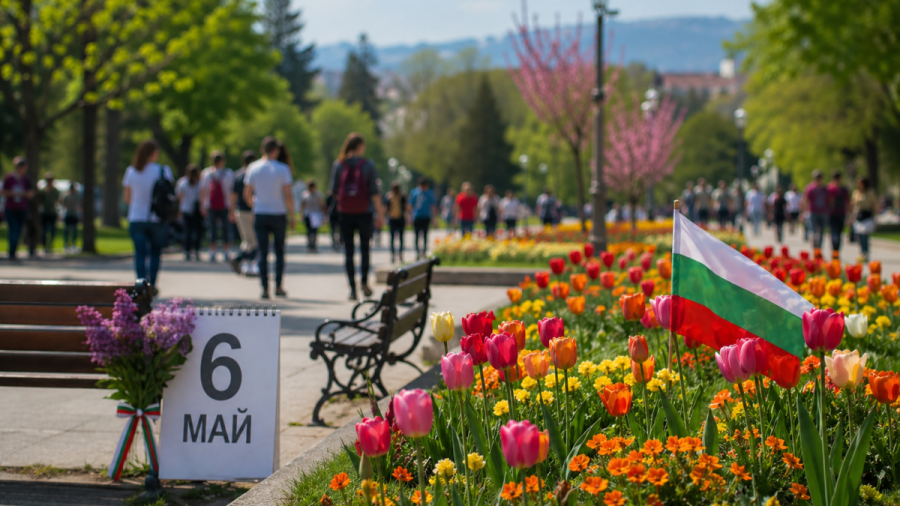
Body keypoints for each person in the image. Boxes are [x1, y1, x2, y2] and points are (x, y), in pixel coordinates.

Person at [330, 133, 384, 300]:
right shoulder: (368, 165)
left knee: (349, 251)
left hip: (345, 213)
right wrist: (380, 214)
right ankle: (364, 282)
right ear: (360, 146)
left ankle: (352, 289)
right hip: (364, 213)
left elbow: (334, 191)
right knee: (365, 249)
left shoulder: (339, 164)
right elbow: (374, 192)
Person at [244, 137, 294, 299]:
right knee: (279, 251)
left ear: (262, 149)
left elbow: (247, 194)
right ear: (277, 150)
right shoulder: (283, 169)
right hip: (278, 213)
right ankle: (279, 286)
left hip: (261, 213)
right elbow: (288, 194)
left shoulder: (253, 167)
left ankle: (265, 288)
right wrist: (292, 214)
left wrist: (255, 206)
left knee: (262, 252)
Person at [123, 140, 173, 292]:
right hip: (156, 218)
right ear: (154, 153)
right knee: (155, 253)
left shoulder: (131, 171)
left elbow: (127, 198)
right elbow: (170, 195)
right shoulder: (163, 170)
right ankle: (152, 284)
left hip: (136, 217)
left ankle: (141, 283)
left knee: (140, 253)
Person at [200, 151, 234, 262]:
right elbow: (231, 192)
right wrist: (232, 209)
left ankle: (212, 251)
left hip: (210, 206)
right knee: (226, 229)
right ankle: (226, 251)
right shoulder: (228, 173)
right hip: (226, 205)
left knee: (212, 229)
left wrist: (202, 205)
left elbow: (203, 190)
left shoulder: (206, 173)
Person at [231, 151, 259, 275]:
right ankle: (239, 259)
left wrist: (231, 211)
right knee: (253, 240)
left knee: (247, 239)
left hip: (240, 211)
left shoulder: (238, 175)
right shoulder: (253, 175)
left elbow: (233, 196)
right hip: (251, 211)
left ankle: (247, 265)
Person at [2, 157, 34, 259]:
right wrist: (17, 193)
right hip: (10, 208)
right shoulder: (9, 178)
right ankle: (11, 253)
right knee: (14, 229)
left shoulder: (27, 179)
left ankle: (13, 251)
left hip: (22, 208)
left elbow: (30, 194)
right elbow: (2, 192)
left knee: (19, 231)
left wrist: (21, 194)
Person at [176, 164, 203, 261]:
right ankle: (197, 250)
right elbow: (202, 197)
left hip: (185, 209)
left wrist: (179, 209)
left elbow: (179, 197)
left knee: (187, 231)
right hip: (197, 210)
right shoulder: (199, 183)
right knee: (197, 231)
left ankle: (187, 251)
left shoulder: (182, 183)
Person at [408, 177, 436, 260]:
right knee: (417, 236)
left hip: (426, 216)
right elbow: (410, 205)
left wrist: (434, 218)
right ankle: (417, 253)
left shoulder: (430, 193)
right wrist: (410, 216)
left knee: (425, 235)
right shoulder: (414, 192)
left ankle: (424, 253)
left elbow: (433, 206)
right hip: (417, 216)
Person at [802, 170, 830, 250]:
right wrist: (803, 212)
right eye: (817, 178)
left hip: (823, 212)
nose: (818, 179)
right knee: (814, 231)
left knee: (821, 231)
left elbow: (829, 200)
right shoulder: (810, 188)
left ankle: (819, 248)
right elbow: (806, 200)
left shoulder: (825, 189)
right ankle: (815, 247)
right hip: (813, 212)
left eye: (820, 178)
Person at [851, 177, 877, 261]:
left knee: (864, 235)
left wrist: (875, 216)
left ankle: (865, 252)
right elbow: (854, 205)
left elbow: (875, 205)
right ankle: (862, 252)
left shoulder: (870, 193)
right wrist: (852, 216)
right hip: (859, 216)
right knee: (859, 236)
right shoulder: (856, 192)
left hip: (867, 216)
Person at [828, 171, 850, 254]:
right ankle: (836, 250)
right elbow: (847, 203)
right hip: (837, 213)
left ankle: (835, 250)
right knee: (837, 233)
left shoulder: (830, 188)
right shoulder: (842, 189)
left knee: (835, 232)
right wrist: (848, 215)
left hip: (835, 213)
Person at [384, 181, 407, 263]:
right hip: (392, 218)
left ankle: (400, 255)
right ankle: (393, 255)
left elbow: (405, 207)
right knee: (392, 239)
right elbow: (386, 207)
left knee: (401, 238)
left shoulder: (402, 196)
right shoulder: (389, 196)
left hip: (400, 218)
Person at [300, 179, 325, 253]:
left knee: (314, 232)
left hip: (316, 215)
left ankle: (314, 246)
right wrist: (302, 214)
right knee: (308, 231)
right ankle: (309, 246)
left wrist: (323, 214)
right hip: (308, 214)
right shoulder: (305, 194)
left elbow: (322, 205)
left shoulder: (318, 194)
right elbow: (302, 205)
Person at [37, 172, 60, 253]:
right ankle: (45, 246)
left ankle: (50, 246)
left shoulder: (55, 191)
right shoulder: (43, 190)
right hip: (44, 212)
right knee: (44, 231)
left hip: (52, 212)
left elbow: (58, 201)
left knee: (52, 230)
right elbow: (40, 201)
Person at [61, 183, 81, 253]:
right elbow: (64, 204)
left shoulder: (76, 196)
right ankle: (67, 245)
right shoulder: (68, 196)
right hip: (69, 214)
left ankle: (72, 245)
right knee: (67, 231)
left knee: (73, 231)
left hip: (73, 214)